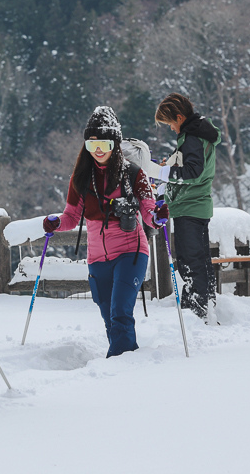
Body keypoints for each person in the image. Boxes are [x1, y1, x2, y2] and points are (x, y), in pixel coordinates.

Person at [43, 106, 167, 358]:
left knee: (120, 311)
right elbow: (71, 217)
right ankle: (127, 361)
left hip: (131, 252)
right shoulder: (81, 178)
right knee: (109, 316)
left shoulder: (134, 174)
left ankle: (118, 364)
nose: (98, 149)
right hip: (98, 258)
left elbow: (148, 211)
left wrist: (158, 217)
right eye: (91, 144)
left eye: (104, 143)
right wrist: (55, 222)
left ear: (115, 144)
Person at [153, 93, 222, 321]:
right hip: (196, 205)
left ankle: (196, 312)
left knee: (190, 262)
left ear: (180, 117)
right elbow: (192, 165)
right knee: (200, 260)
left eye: (171, 123)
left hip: (190, 206)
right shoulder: (198, 134)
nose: (171, 129)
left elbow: (193, 172)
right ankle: (207, 305)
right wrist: (171, 164)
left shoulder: (192, 136)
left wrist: (164, 172)